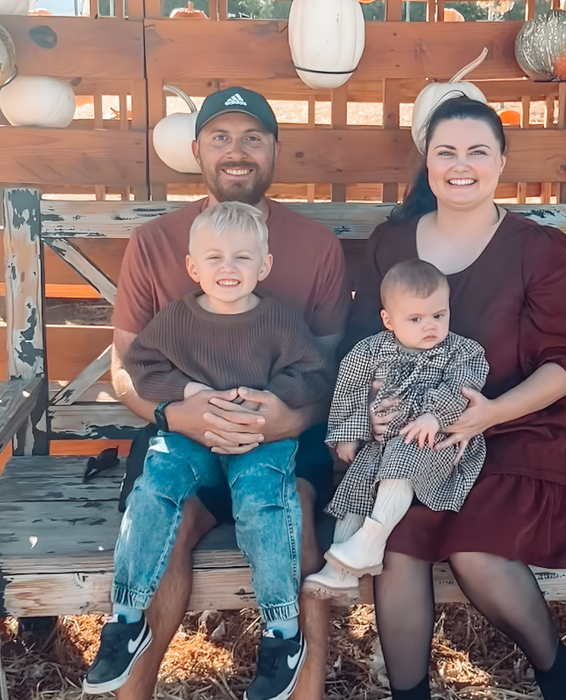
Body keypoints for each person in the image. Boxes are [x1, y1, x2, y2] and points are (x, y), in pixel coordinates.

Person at [341, 96, 566, 700]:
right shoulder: (392, 243)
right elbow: (361, 346)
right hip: (416, 436)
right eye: (446, 152)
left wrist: (488, 413)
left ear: (501, 162)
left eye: (477, 151)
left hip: (515, 429)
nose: (462, 165)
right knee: (398, 545)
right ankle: (410, 694)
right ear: (427, 163)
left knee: (475, 552)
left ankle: (560, 671)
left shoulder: (536, 249)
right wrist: (373, 407)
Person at [107, 86, 348, 700]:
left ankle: (297, 679)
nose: (236, 152)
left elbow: (328, 371)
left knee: (291, 504)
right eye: (220, 137)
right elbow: (125, 367)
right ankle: (129, 675)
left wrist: (288, 422)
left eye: (252, 138)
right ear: (196, 150)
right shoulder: (156, 242)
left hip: (278, 441)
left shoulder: (316, 247)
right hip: (180, 433)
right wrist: (173, 412)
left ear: (273, 150)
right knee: (166, 512)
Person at [84, 202, 331, 698]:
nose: (228, 269)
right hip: (189, 438)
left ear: (263, 267)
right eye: (214, 258)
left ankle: (282, 632)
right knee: (153, 490)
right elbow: (141, 367)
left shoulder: (278, 320)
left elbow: (313, 373)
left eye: (242, 258)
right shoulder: (177, 319)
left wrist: (271, 402)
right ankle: (127, 618)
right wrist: (188, 392)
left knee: (268, 502)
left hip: (257, 440)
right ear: (193, 268)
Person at [303, 259, 488, 599]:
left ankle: (372, 540)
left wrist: (435, 415)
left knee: (404, 450)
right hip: (382, 443)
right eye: (415, 319)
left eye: (438, 315)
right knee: (356, 485)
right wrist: (349, 432)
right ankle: (340, 568)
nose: (429, 326)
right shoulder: (370, 351)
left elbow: (463, 384)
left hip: (436, 441)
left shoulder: (462, 351)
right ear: (388, 320)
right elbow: (350, 389)